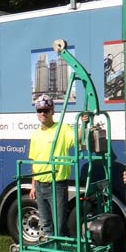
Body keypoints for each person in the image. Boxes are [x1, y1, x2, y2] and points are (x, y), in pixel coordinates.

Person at [28, 95, 85, 238]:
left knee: (59, 226)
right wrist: (33, 185)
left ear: (52, 111)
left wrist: (84, 125)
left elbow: (77, 138)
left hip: (57, 185)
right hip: (40, 186)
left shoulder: (62, 129)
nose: (43, 113)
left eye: (46, 110)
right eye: (40, 110)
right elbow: (35, 162)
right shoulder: (35, 135)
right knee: (46, 224)